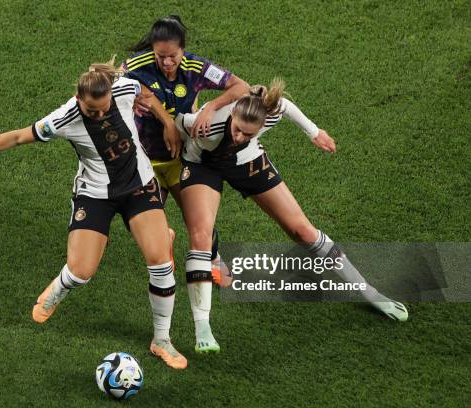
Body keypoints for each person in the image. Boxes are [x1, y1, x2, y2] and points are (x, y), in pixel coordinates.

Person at [0, 61, 188, 369]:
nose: (99, 115)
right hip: (95, 195)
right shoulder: (65, 117)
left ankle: (161, 340)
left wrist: (167, 122)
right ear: (79, 98)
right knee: (81, 272)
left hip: (139, 186)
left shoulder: (124, 87)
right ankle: (58, 289)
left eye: (103, 108)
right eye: (92, 110)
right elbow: (18, 137)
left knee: (161, 263)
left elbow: (145, 94)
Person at [175, 79, 409, 353]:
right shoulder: (209, 123)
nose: (239, 136)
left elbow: (284, 106)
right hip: (203, 166)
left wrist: (314, 132)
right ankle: (203, 326)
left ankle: (370, 292)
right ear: (234, 114)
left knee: (303, 231)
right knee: (201, 235)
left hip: (247, 163)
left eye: (248, 134)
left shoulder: (264, 117)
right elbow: (177, 123)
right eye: (238, 130)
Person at [123, 15, 248, 286]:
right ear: (152, 50)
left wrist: (211, 108)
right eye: (160, 56)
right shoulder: (137, 65)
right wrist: (159, 116)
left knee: (199, 219)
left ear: (183, 49)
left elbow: (241, 87)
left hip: (182, 159)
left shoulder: (196, 67)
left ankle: (213, 258)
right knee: (136, 222)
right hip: (145, 160)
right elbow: (107, 82)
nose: (167, 62)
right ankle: (164, 237)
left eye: (172, 56)